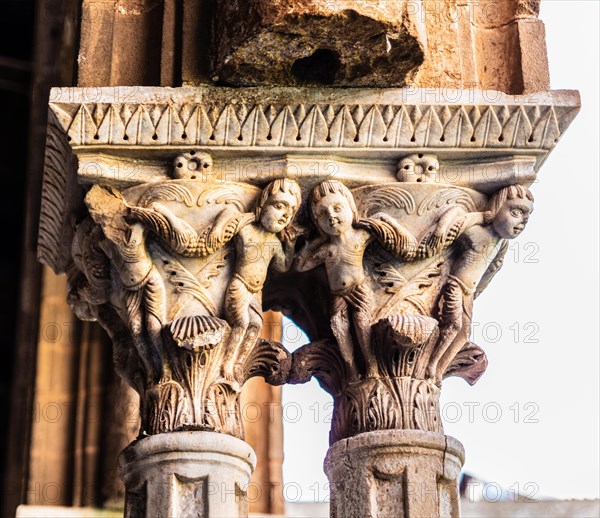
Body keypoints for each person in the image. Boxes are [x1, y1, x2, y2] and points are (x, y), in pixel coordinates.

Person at [128, 178, 302, 378]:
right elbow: (218, 233)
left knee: (255, 325)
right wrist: (222, 224)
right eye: (279, 206)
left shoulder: (273, 243)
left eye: (290, 212)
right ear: (261, 205)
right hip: (239, 285)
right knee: (241, 322)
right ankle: (225, 365)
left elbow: (282, 266)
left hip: (255, 291)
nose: (284, 215)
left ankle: (237, 363)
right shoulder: (246, 230)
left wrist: (289, 245)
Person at [426, 184, 534, 380]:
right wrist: (479, 217)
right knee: (454, 326)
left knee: (463, 332)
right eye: (516, 212)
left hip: (468, 292)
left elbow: (492, 269)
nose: (522, 222)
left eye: (527, 217)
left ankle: (437, 369)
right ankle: (432, 365)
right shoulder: (478, 232)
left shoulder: (501, 244)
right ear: (495, 208)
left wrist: (476, 292)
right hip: (455, 286)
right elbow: (458, 220)